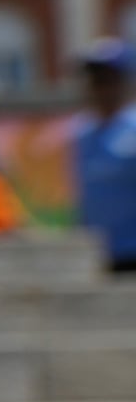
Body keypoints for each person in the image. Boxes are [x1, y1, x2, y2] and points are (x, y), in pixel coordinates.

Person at [75, 37, 136, 273]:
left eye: (108, 80)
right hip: (101, 256)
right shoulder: (82, 135)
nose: (102, 89)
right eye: (96, 80)